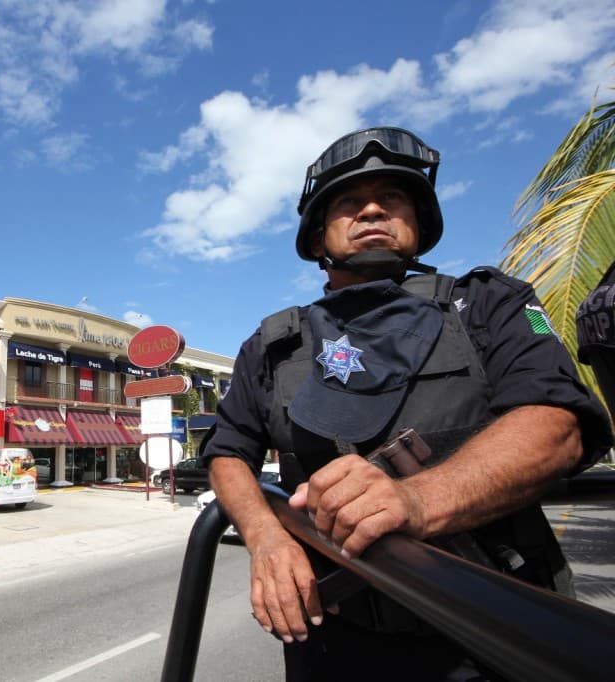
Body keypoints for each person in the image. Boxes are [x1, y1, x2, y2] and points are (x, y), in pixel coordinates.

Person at [201, 127, 614, 681]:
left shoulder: (489, 304)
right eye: (349, 201)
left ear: (418, 225)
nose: (372, 208)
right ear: (318, 239)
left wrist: (419, 500)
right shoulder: (273, 344)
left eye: (392, 198)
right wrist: (265, 535)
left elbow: (556, 423)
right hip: (334, 640)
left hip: (495, 633)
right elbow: (227, 451)